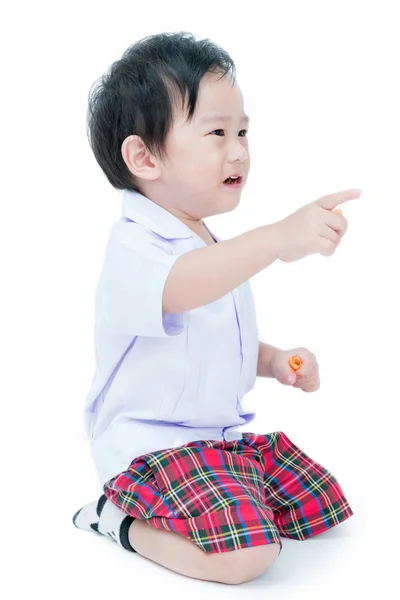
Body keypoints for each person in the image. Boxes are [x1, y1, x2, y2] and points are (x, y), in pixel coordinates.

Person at [72, 31, 360, 585]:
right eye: (217, 133)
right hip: (151, 446)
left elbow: (212, 339)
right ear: (144, 156)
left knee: (320, 505)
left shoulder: (205, 241)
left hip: (213, 438)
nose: (239, 151)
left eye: (244, 131)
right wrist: (277, 238)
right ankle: (115, 518)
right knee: (246, 558)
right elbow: (183, 290)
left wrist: (275, 361)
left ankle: (226, 500)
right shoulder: (137, 246)